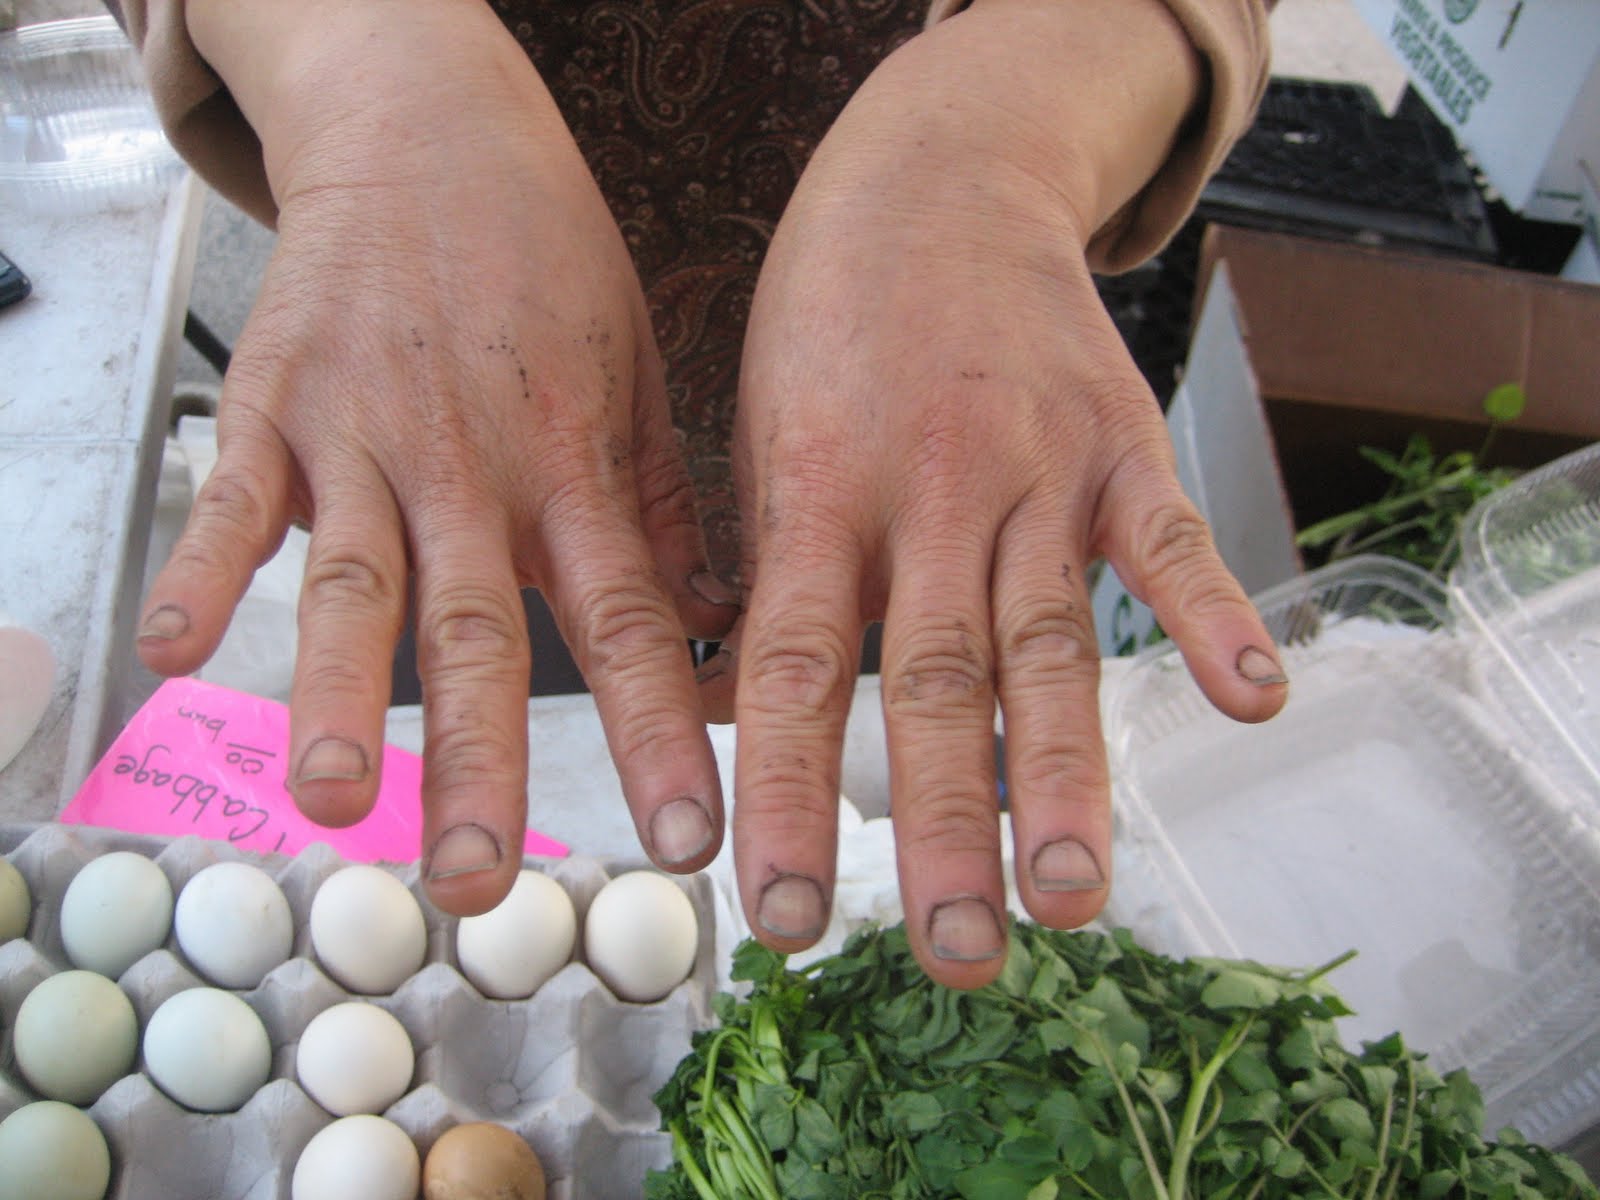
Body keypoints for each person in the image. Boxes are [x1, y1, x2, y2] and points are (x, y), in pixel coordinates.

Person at [114, 0, 1287, 989]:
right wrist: (370, 84)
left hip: (949, 379)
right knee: (488, 687)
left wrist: (1008, 136)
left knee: (903, 717)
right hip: (456, 369)